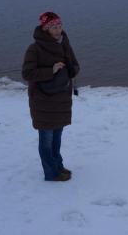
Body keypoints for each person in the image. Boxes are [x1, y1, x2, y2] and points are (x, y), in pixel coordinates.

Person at [21, 11, 80, 182]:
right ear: (45, 28)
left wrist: (69, 69)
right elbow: (27, 73)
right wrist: (51, 70)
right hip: (43, 101)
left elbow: (75, 66)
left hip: (61, 100)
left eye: (59, 26)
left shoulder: (65, 44)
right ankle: (51, 173)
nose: (57, 30)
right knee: (46, 140)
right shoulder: (35, 48)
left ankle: (58, 166)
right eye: (53, 27)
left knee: (57, 138)